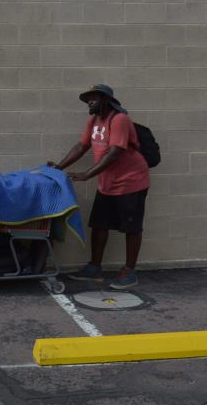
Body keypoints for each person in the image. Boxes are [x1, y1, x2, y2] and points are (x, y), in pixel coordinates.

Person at [48, 84, 150, 290]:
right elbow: (81, 146)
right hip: (107, 183)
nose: (89, 103)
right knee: (99, 224)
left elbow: (115, 152)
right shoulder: (93, 121)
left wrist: (86, 174)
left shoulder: (119, 119)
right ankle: (94, 267)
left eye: (93, 99)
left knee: (131, 228)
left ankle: (130, 271)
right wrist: (59, 167)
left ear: (105, 100)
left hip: (131, 182)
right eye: (88, 100)